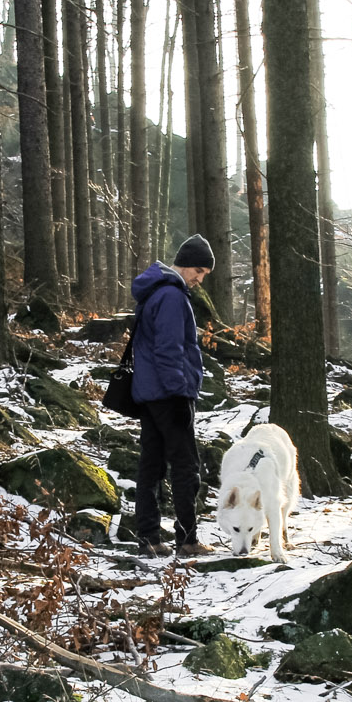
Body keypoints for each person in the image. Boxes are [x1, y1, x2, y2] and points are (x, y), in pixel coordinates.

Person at [128, 235, 215, 557]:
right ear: (188, 265)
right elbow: (169, 350)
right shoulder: (171, 296)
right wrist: (180, 394)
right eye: (200, 271)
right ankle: (187, 539)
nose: (200, 279)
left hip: (150, 393)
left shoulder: (154, 292)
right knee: (185, 466)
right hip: (168, 394)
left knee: (151, 465)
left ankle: (149, 538)